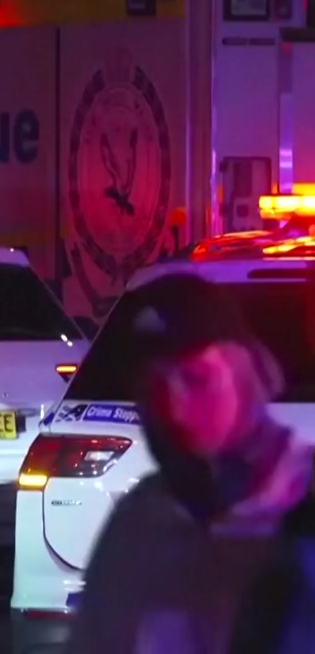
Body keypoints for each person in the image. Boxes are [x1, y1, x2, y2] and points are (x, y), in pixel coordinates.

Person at [65, 273, 315, 654]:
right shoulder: (139, 522)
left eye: (197, 378)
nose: (175, 410)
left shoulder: (302, 513)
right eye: (155, 388)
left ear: (249, 371)